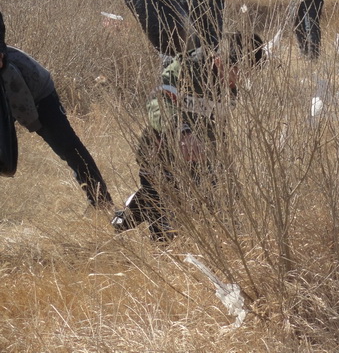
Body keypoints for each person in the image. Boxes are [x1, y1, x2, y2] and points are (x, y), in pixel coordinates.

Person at [112, 33, 264, 240]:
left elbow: (217, 128)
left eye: (248, 74)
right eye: (238, 71)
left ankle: (138, 208)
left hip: (199, 160)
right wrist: (181, 131)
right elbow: (157, 103)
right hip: (160, 153)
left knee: (214, 212)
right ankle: (130, 216)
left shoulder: (230, 88)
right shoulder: (185, 68)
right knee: (165, 233)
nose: (241, 79)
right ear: (220, 60)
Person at [0, 24, 113, 209]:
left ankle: (101, 202)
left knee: (68, 147)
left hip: (34, 89)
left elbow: (19, 94)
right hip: (11, 93)